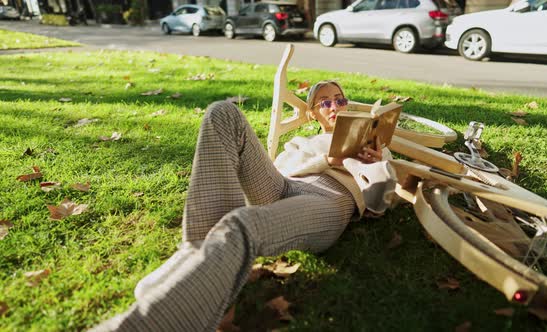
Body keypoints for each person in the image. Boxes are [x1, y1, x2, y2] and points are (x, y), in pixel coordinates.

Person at [91, 81, 397, 331]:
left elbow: (379, 205)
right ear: (313, 114)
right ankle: (200, 258)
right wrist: (329, 159)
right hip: (283, 185)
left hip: (328, 200)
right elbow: (283, 167)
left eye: (340, 100)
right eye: (325, 102)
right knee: (222, 112)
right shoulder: (302, 142)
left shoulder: (372, 148)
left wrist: (375, 165)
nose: (334, 106)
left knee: (243, 224)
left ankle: (180, 298)